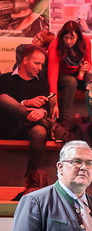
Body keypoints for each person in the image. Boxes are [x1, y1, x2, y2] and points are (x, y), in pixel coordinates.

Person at [0, 45, 54, 175]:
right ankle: (46, 123)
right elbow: (5, 105)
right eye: (37, 63)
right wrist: (26, 103)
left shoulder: (42, 82)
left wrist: (42, 112)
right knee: (3, 98)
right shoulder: (5, 79)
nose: (40, 68)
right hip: (10, 125)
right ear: (25, 60)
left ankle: (32, 176)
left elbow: (46, 105)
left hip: (31, 127)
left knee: (40, 131)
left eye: (42, 64)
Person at [47, 21, 90, 116]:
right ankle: (64, 117)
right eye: (66, 38)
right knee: (71, 81)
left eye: (72, 38)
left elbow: (89, 62)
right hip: (61, 75)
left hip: (78, 72)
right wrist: (54, 105)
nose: (68, 41)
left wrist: (86, 67)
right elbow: (53, 76)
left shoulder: (85, 41)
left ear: (78, 37)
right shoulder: (55, 45)